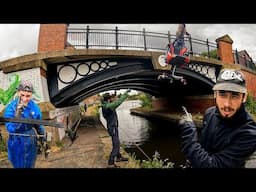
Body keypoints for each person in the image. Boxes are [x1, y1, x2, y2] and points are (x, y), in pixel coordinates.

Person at [178, 68, 256, 168]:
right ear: (215, 94)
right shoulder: (209, 113)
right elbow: (203, 145)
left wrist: (189, 134)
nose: (227, 104)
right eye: (222, 94)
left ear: (244, 97)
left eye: (235, 96)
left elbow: (214, 165)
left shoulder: (249, 133)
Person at [3, 80, 46, 168]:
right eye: (22, 95)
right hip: (16, 140)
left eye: (28, 96)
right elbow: (10, 129)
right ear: (18, 92)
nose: (25, 99)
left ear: (31, 95)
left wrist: (43, 139)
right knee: (19, 164)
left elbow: (39, 124)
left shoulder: (34, 107)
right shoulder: (11, 108)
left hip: (31, 139)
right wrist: (17, 117)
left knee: (30, 164)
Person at [101, 89, 131, 168]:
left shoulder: (106, 104)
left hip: (113, 127)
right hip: (113, 128)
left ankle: (118, 157)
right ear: (108, 99)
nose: (112, 99)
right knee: (116, 145)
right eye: (111, 98)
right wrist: (125, 94)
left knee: (117, 142)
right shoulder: (108, 106)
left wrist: (116, 96)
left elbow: (115, 100)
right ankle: (111, 163)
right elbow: (117, 102)